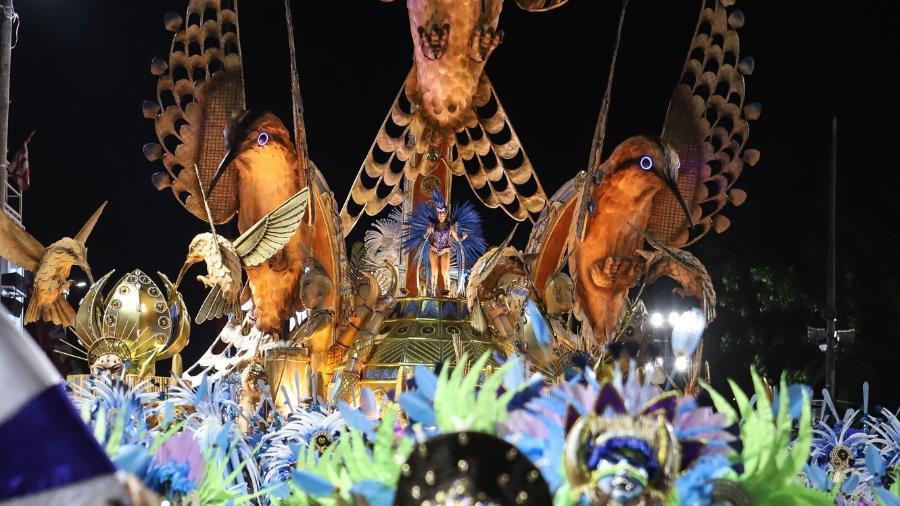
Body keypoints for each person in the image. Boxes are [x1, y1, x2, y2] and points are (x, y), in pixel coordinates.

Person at [403, 187, 487, 297]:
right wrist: (426, 232)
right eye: (439, 214)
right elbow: (424, 237)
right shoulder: (432, 226)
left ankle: (446, 293)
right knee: (434, 272)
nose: (441, 216)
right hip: (433, 249)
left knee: (444, 272)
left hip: (445, 251)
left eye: (443, 214)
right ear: (437, 215)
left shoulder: (450, 228)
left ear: (446, 214)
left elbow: (458, 239)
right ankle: (433, 293)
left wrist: (463, 237)